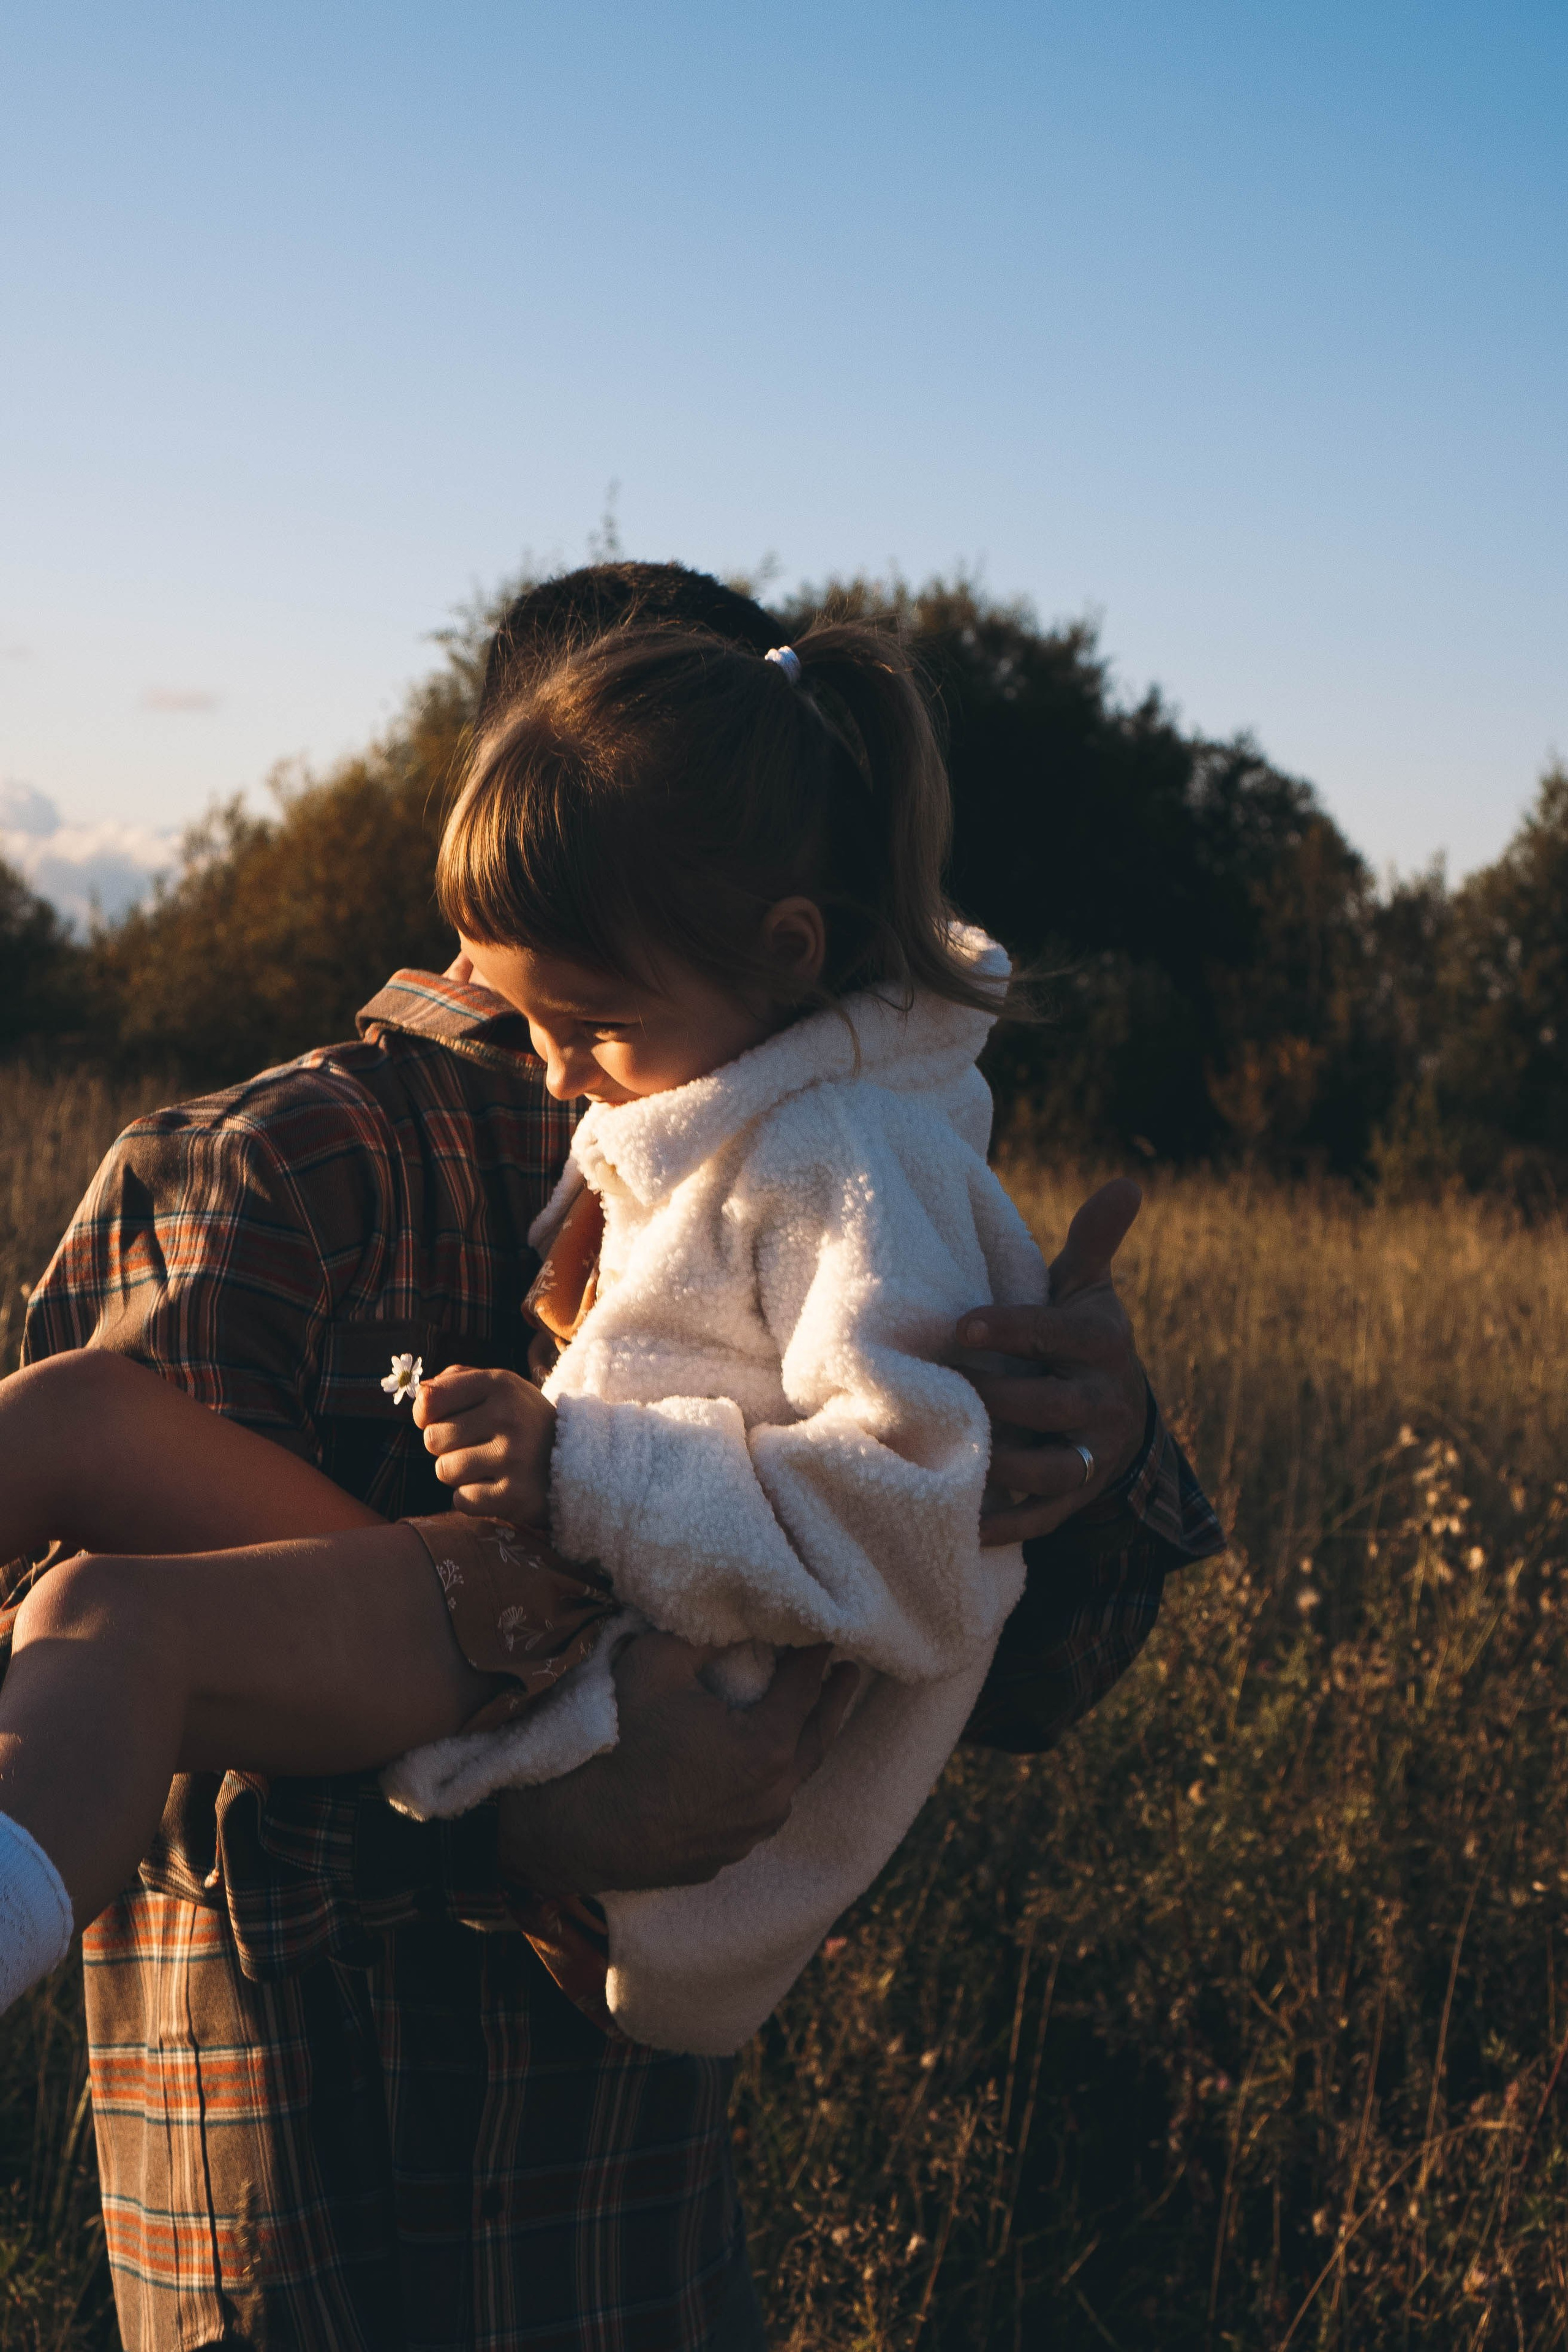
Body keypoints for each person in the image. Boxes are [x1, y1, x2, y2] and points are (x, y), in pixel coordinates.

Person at [4, 563, 1222, 2352]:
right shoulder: (266, 1169)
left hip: (616, 2245)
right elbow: (134, 1786)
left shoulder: (821, 1146)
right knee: (90, 1525)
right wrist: (533, 1839)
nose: (577, 1074)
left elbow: (1006, 1662)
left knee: (124, 1596)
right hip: (293, 2235)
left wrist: (1092, 1453)